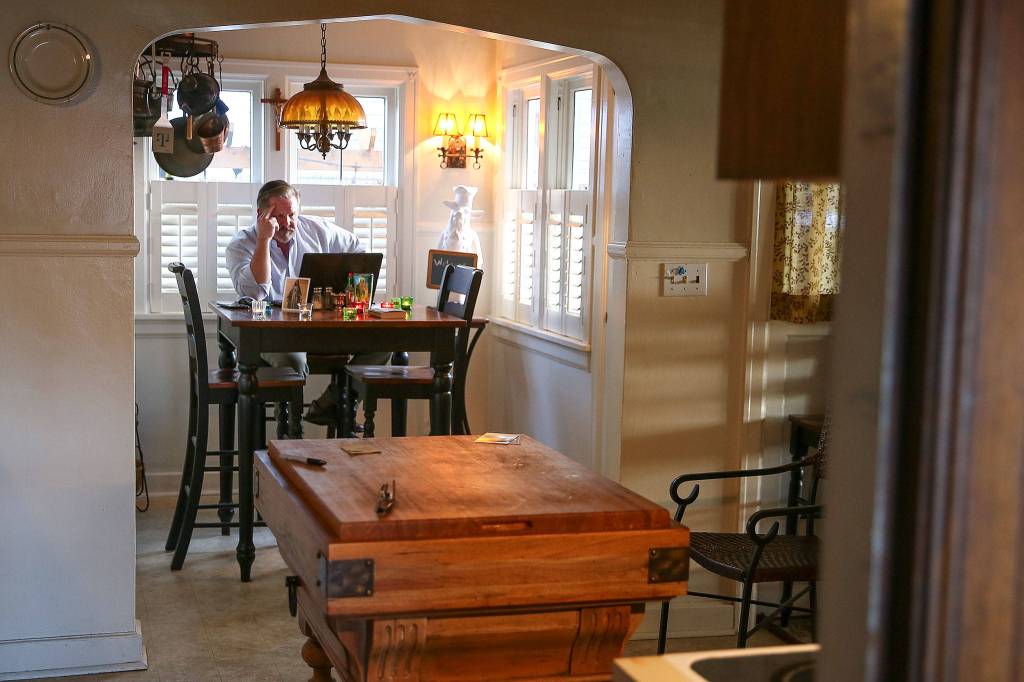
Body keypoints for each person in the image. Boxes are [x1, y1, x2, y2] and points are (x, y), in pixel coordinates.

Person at [226, 180, 388, 426]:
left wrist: (347, 292)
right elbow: (255, 293)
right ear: (261, 215)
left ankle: (336, 402)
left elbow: (359, 251)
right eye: (278, 217)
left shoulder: (317, 230)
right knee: (294, 362)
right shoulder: (240, 245)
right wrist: (264, 240)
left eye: (291, 215)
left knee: (383, 343)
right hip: (272, 335)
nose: (287, 223)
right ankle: (291, 432)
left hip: (319, 330)